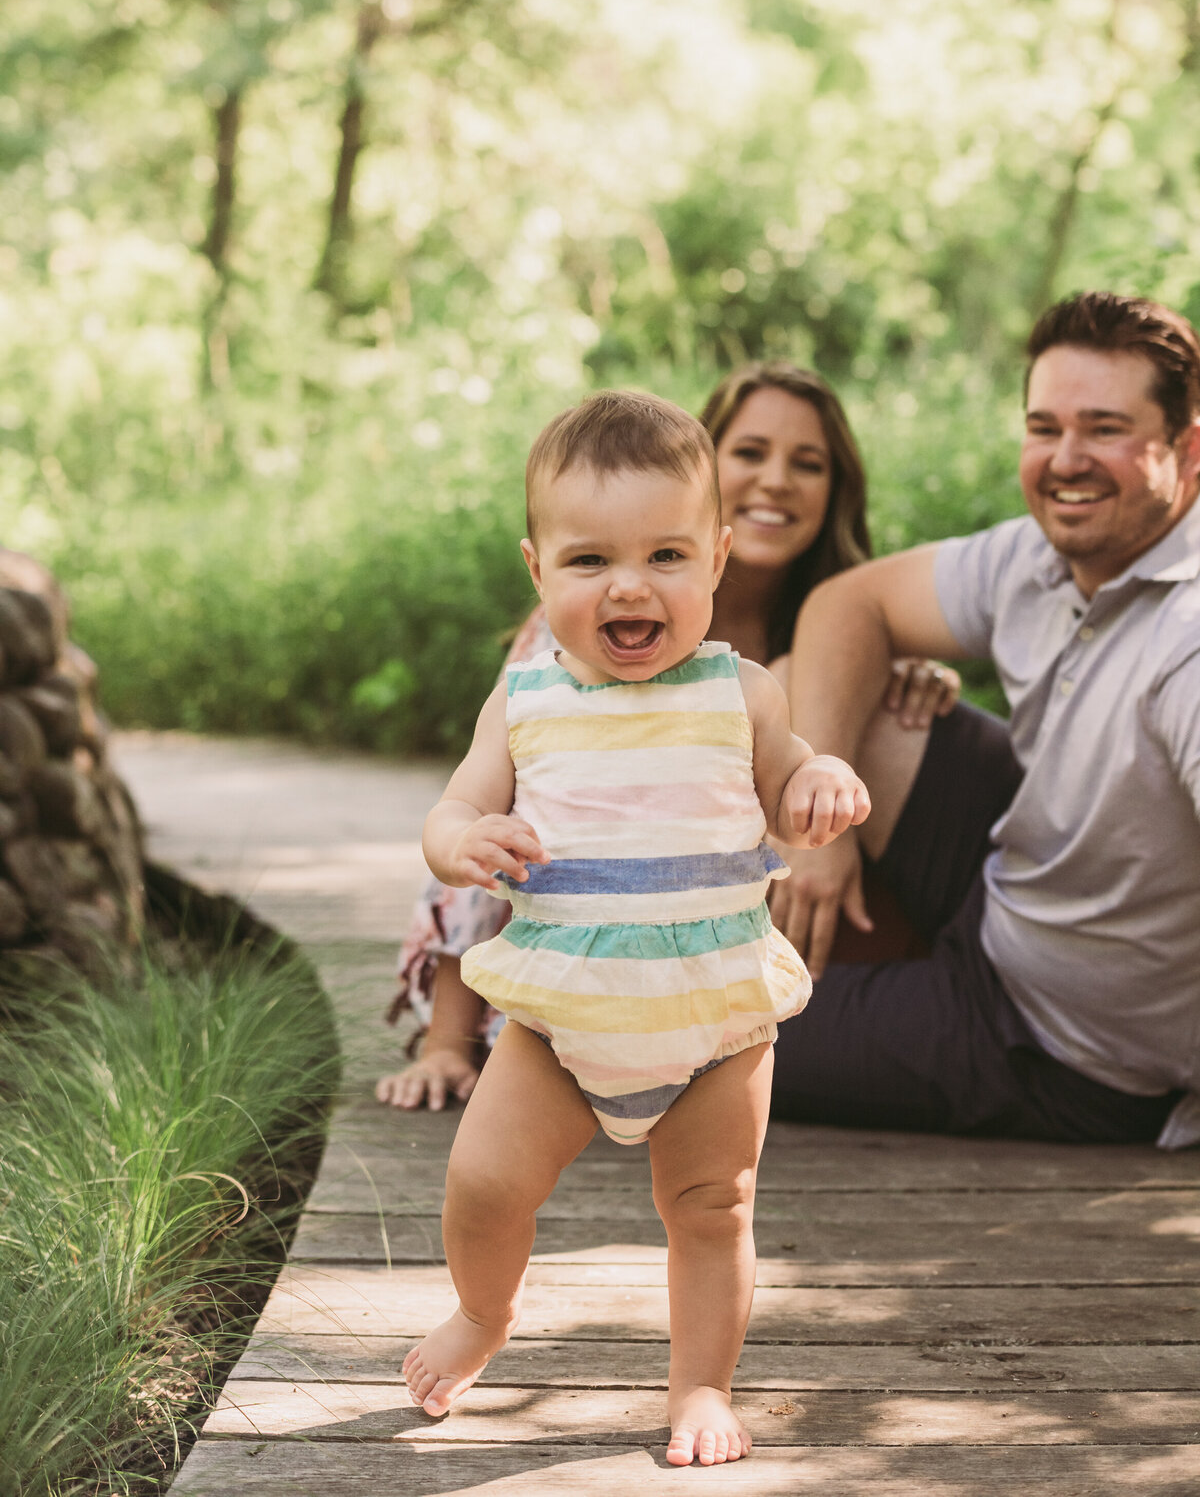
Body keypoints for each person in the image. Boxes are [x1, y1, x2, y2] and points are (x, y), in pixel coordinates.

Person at [402, 391, 869, 1464]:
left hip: (716, 1023)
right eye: (588, 560)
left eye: (666, 553)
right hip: (559, 1025)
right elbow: (453, 807)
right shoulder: (521, 703)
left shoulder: (739, 691)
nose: (629, 583)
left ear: (716, 561)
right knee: (482, 1180)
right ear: (538, 570)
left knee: (712, 1210)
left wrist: (819, 784)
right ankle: (483, 1312)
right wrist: (461, 839)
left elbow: (792, 777)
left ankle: (700, 1383)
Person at [378, 364, 958, 1111]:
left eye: (807, 463)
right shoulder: (569, 646)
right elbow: (488, 817)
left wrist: (899, 683)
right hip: (585, 949)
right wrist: (445, 1045)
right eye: (751, 452)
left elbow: (800, 777)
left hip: (721, 958)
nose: (777, 480)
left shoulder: (829, 628)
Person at [773, 291, 1200, 1148]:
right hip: (1015, 883)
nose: (1065, 460)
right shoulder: (1038, 553)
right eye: (1045, 428)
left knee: (697, 1029)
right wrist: (817, 834)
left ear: (1188, 449)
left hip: (1058, 1044)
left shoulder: (1188, 642)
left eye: (1105, 429)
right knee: (793, 685)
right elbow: (847, 606)